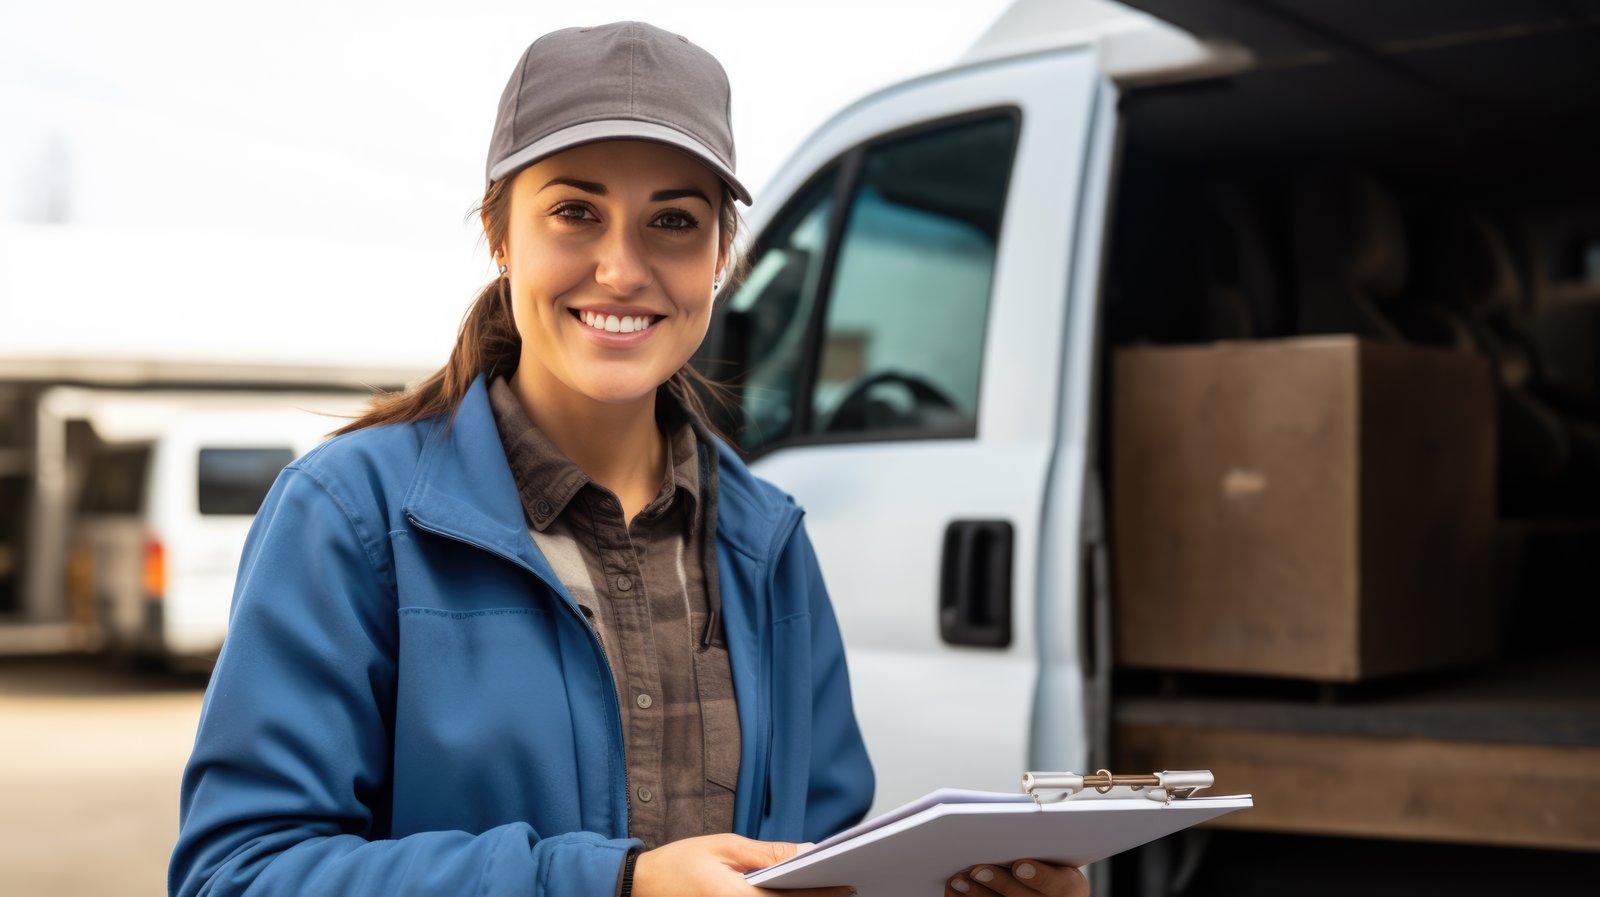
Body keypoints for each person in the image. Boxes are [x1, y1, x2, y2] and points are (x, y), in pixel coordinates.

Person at [169, 21, 1088, 897]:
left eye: (674, 222)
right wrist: (610, 882)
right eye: (575, 211)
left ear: (723, 253)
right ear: (499, 232)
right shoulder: (351, 516)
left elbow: (818, 859)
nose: (620, 268)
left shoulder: (767, 542)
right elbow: (239, 871)